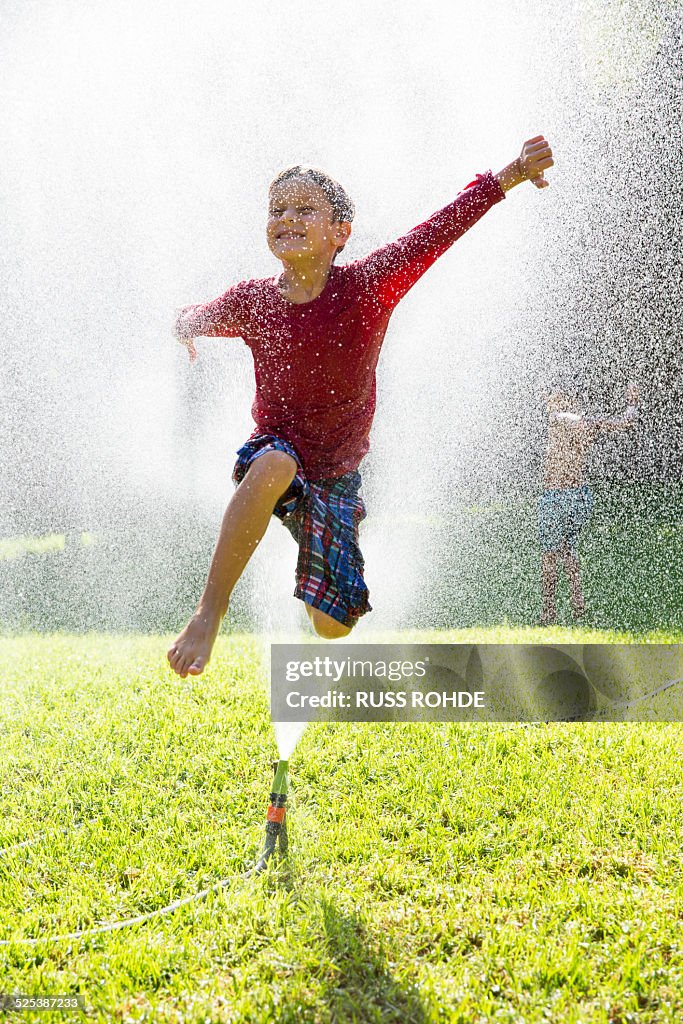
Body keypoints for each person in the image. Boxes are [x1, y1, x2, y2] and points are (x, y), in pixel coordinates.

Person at [167, 136, 555, 678]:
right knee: (276, 463)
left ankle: (308, 531)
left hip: (336, 478)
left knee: (333, 625)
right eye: (277, 209)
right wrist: (183, 327)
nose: (287, 217)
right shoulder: (253, 301)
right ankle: (210, 613)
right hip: (274, 452)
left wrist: (509, 174)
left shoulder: (368, 286)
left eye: (305, 208)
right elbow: (198, 316)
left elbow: (436, 231)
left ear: (340, 232)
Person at [538, 383, 640, 626]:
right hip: (580, 496)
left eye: (554, 397)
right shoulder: (587, 423)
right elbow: (625, 423)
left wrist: (567, 415)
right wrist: (632, 404)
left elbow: (564, 417)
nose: (549, 403)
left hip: (558, 498)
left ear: (566, 400)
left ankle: (548, 612)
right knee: (567, 549)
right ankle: (578, 604)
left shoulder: (560, 419)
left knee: (549, 556)